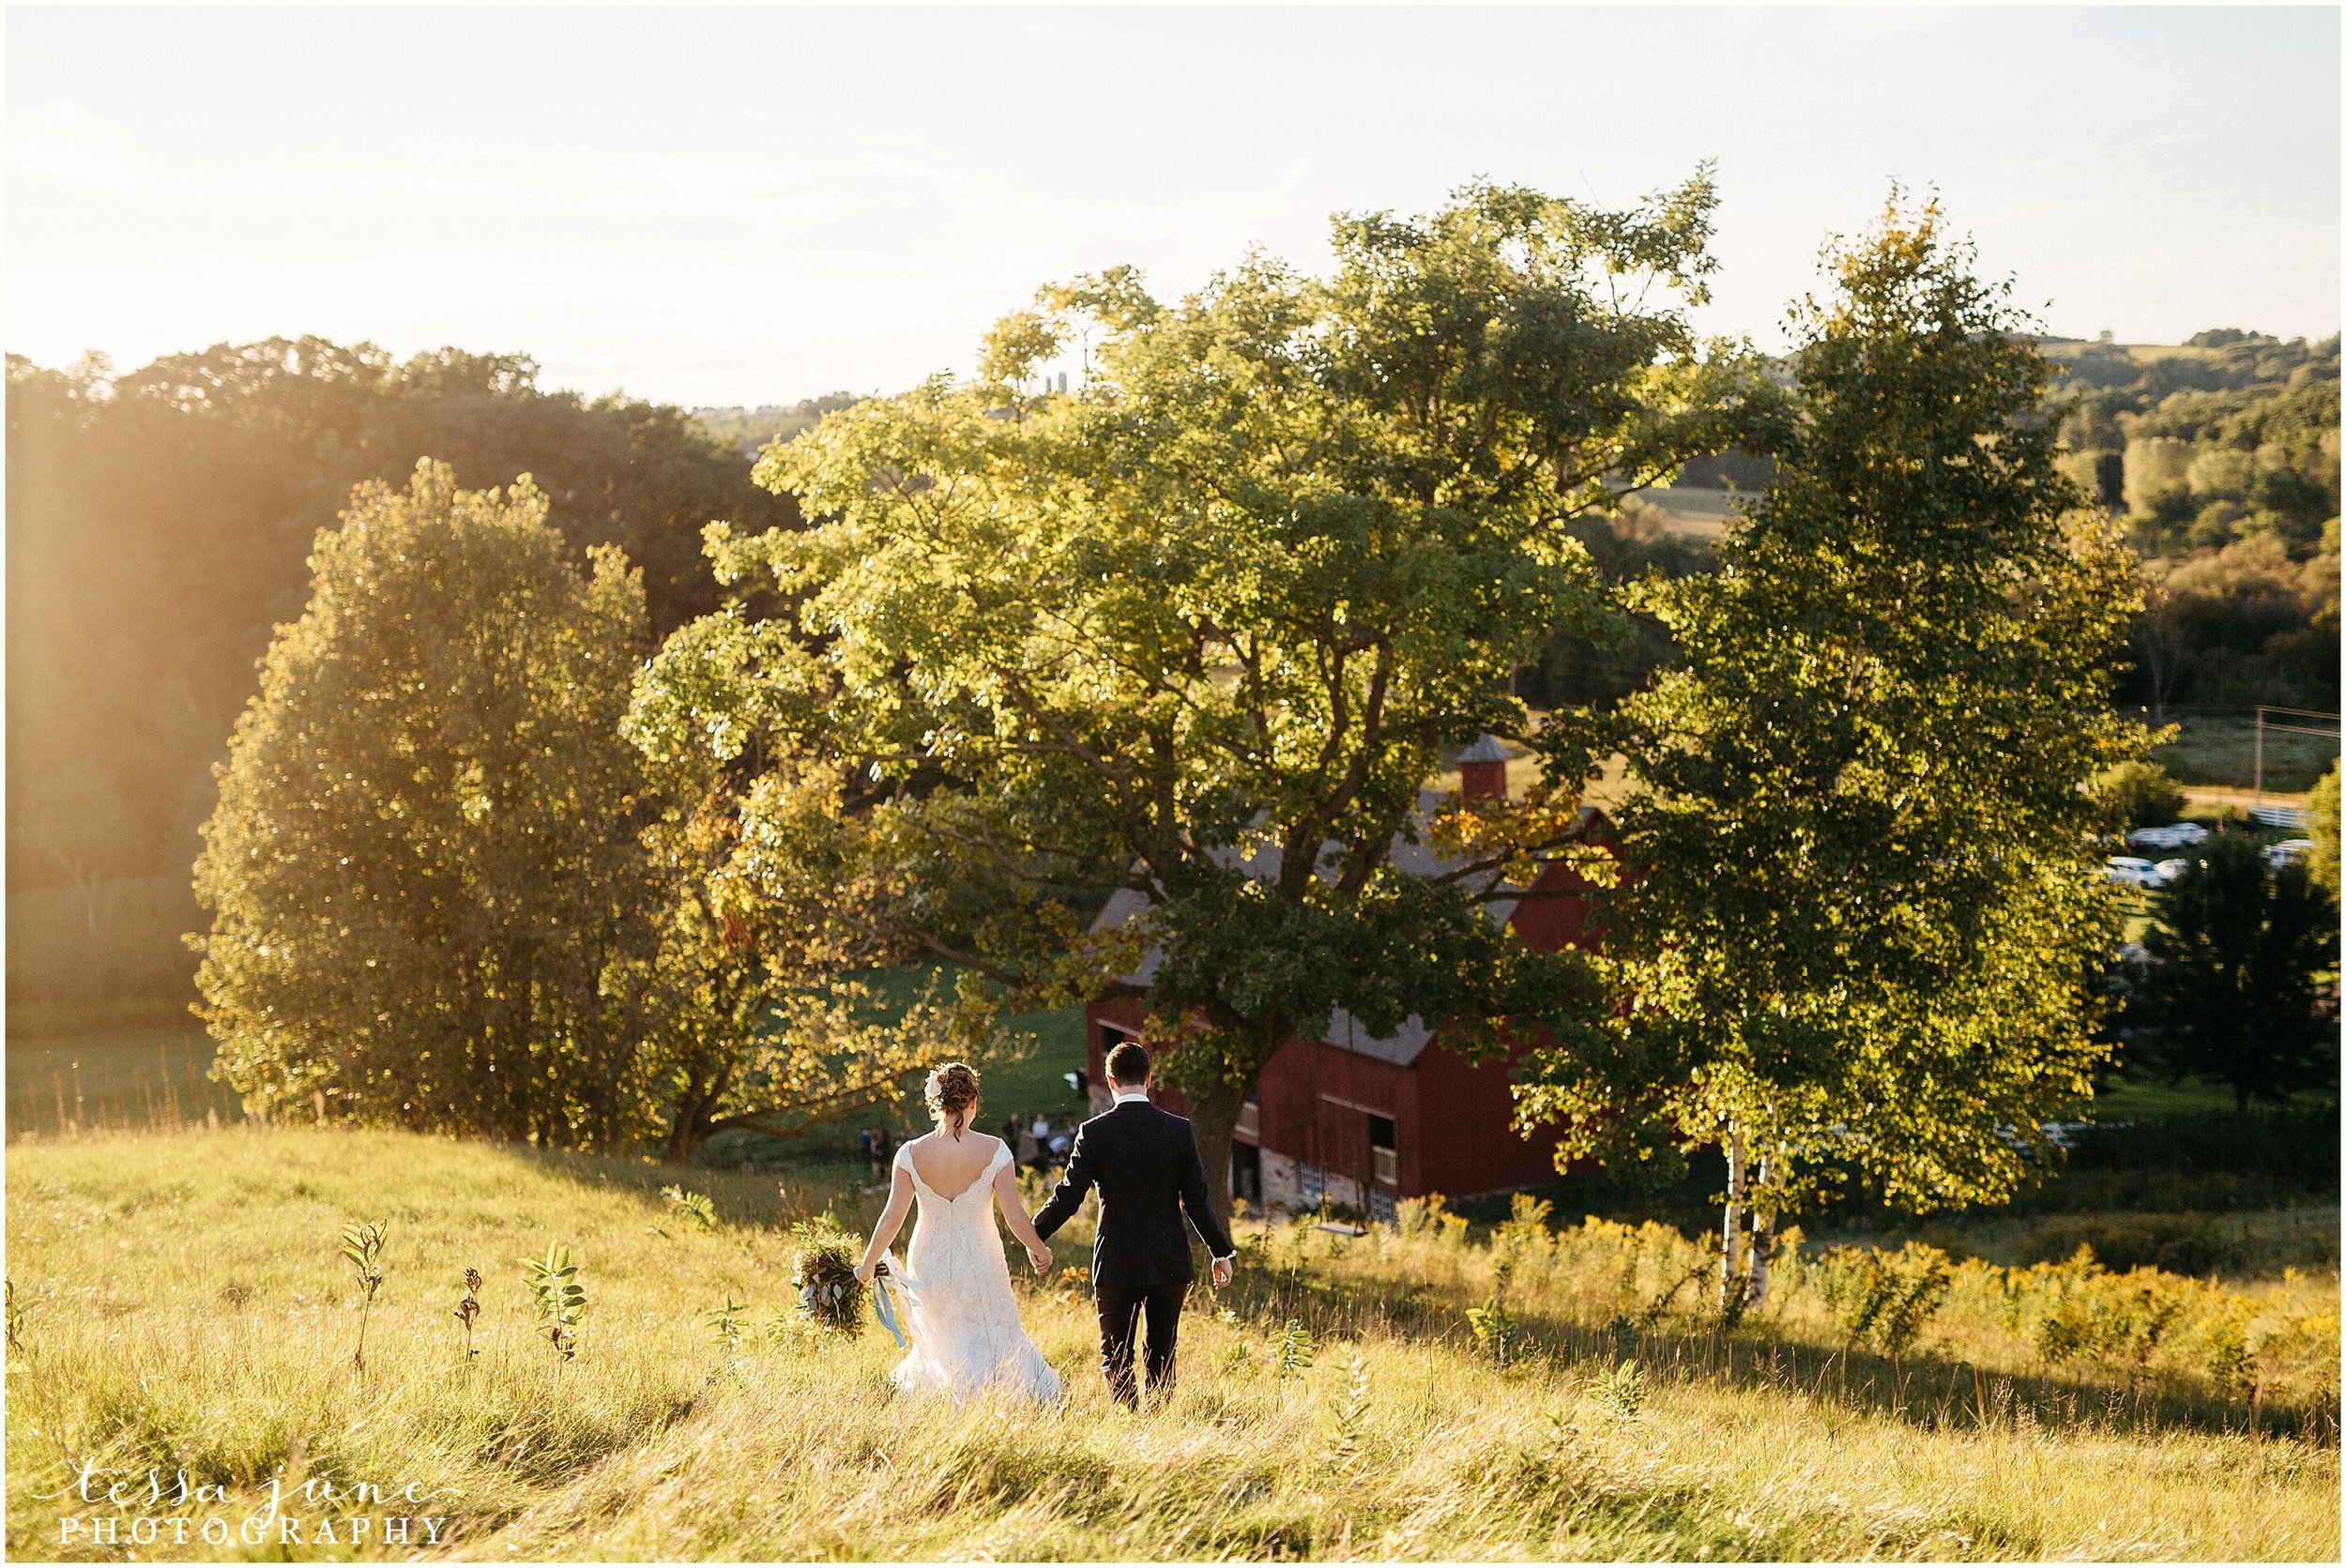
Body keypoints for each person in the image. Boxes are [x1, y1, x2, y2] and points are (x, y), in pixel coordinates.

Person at [1033, 1040, 1236, 1409]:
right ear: (1149, 1079)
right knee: (1162, 1354)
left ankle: (1128, 1421)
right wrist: (1221, 1252)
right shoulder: (1178, 1130)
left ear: (1111, 1081)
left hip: (1116, 1260)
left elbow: (1068, 1195)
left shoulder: (1094, 1133)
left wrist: (1034, 1235)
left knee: (1116, 1355)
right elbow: (1197, 1200)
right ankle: (1159, 1425)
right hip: (1168, 1259)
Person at [855, 1062, 1061, 1403]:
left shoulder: (910, 1154)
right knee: (990, 1327)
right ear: (974, 1102)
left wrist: (867, 1264)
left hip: (929, 1257)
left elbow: (892, 1217)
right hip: (980, 1255)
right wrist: (1039, 1248)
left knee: (943, 1331)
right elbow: (1014, 1214)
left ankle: (948, 1395)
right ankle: (991, 1394)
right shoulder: (995, 1150)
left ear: (936, 1104)